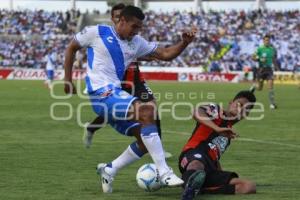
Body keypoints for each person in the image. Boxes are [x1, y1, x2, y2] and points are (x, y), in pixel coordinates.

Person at [64, 5, 197, 193]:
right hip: (100, 93)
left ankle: (110, 169)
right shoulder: (97, 32)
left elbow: (166, 54)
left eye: (139, 28)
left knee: (145, 141)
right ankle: (164, 172)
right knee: (147, 111)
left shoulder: (136, 42)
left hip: (115, 94)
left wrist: (184, 43)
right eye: (134, 26)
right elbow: (71, 47)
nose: (137, 31)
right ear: (122, 21)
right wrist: (67, 80)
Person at [83, 3, 172, 158]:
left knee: (151, 107)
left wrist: (147, 56)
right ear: (114, 19)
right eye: (117, 16)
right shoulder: (105, 38)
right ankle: (91, 128)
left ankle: (159, 148)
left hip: (136, 79)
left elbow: (137, 51)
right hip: (118, 81)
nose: (119, 19)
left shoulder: (132, 38)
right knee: (111, 113)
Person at [178, 90, 257, 200]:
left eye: (246, 109)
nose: (241, 109)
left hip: (209, 169)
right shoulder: (217, 111)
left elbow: (214, 157)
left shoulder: (229, 134)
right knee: (197, 164)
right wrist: (217, 128)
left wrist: (220, 173)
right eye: (239, 104)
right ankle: (190, 187)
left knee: (249, 186)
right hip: (192, 155)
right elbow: (196, 112)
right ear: (231, 103)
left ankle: (197, 187)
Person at [252, 34, 278, 109]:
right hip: (261, 69)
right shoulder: (259, 49)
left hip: (269, 69)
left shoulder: (272, 49)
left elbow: (273, 59)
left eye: (268, 40)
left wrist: (276, 67)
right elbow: (253, 57)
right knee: (260, 88)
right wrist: (259, 59)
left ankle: (272, 103)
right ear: (263, 41)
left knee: (270, 86)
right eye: (266, 40)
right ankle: (254, 86)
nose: (267, 41)